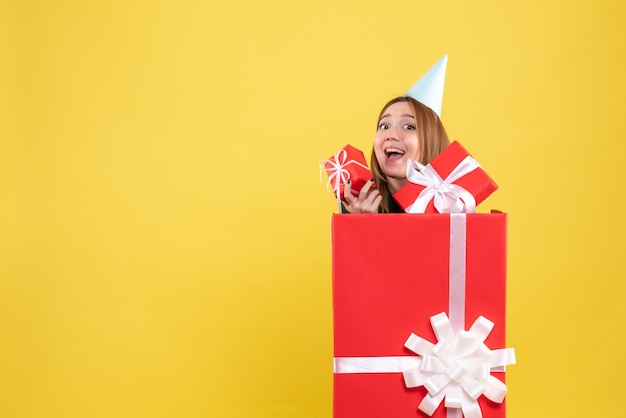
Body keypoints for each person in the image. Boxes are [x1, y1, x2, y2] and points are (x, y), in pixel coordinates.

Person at [343, 96, 450, 213]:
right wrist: (357, 225)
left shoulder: (454, 203)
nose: (391, 135)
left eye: (409, 127)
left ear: (433, 141)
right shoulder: (357, 204)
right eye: (384, 126)